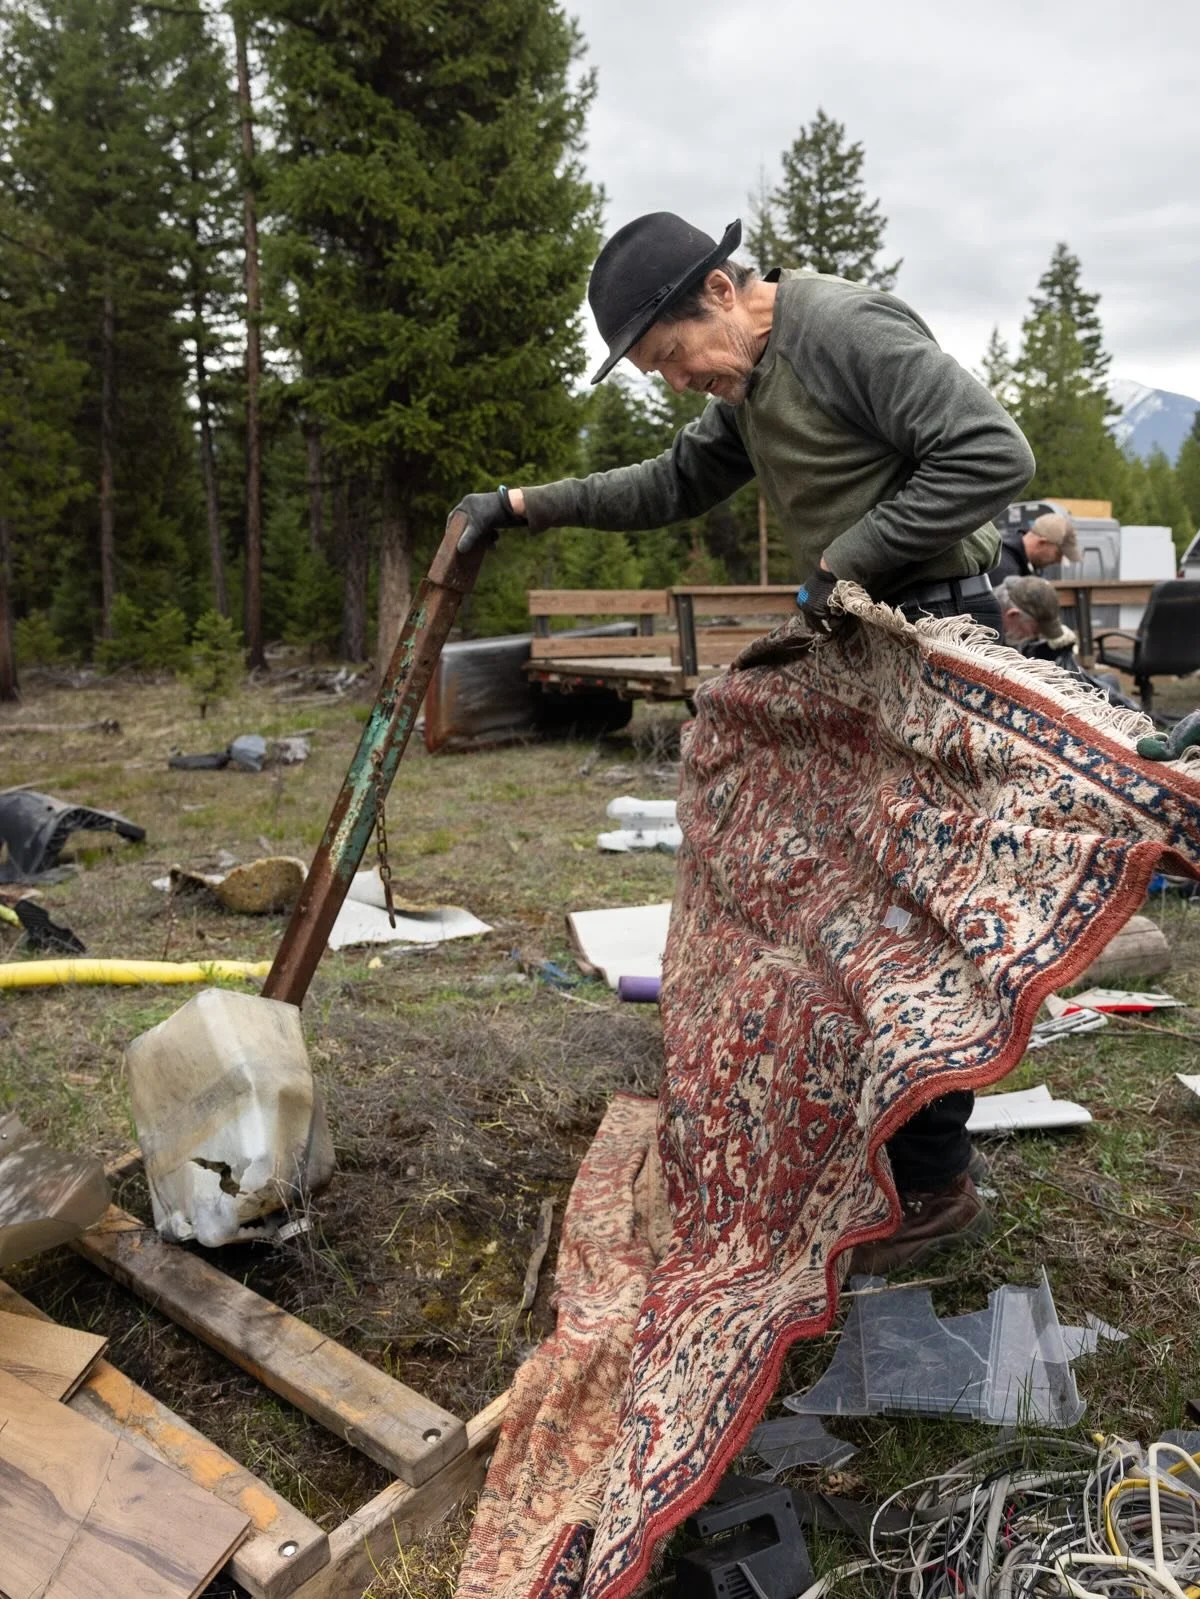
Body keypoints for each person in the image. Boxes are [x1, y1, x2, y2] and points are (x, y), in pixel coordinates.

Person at [455, 211, 1037, 1273]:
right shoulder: (750, 380)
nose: (677, 381)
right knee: (846, 897)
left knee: (915, 909)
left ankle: (935, 1185)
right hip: (867, 643)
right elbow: (670, 483)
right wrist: (522, 504)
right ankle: (891, 1144)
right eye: (655, 371)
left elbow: (994, 452)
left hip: (941, 634)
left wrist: (848, 558)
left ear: (721, 290)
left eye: (672, 357)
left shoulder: (841, 330)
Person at [996, 575, 1139, 708]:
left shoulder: (1007, 628)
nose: (1036, 635)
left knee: (1109, 681)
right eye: (1036, 629)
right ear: (1013, 614)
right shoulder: (983, 635)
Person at [992, 511, 1080, 584]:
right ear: (1042, 543)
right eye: (1059, 554)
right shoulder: (1004, 570)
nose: (1059, 561)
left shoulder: (1020, 563)